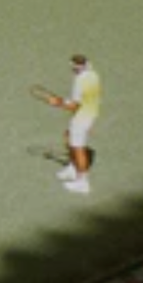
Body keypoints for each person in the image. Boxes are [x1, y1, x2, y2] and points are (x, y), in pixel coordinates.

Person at [38, 54, 104, 194]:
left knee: (78, 148)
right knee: (68, 136)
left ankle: (83, 182)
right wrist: (64, 101)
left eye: (74, 66)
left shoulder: (79, 81)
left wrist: (57, 103)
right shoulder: (93, 75)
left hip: (83, 116)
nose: (72, 69)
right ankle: (73, 168)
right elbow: (83, 100)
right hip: (90, 112)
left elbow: (74, 106)